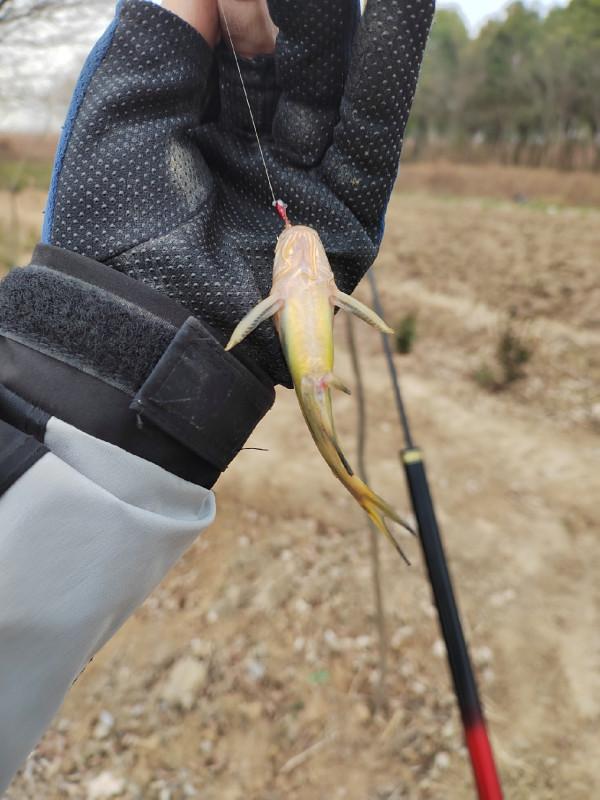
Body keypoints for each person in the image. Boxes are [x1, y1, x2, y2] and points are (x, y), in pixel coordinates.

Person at [0, 0, 434, 790]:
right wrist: (121, 351)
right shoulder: (309, 259)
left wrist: (101, 346)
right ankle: (362, 489)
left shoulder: (281, 276)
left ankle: (362, 488)